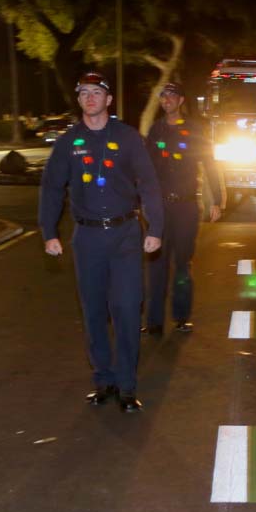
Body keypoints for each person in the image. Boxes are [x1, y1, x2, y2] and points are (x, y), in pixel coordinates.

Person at [38, 73, 164, 413]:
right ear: (79, 100)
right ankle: (103, 380)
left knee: (126, 308)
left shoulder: (127, 137)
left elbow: (148, 183)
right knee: (93, 311)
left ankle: (126, 385)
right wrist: (49, 231)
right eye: (84, 93)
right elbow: (52, 187)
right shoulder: (68, 142)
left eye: (97, 92)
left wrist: (155, 227)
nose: (90, 97)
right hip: (88, 237)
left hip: (125, 235)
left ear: (108, 100)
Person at [143, 82, 223, 335]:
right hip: (159, 207)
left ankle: (181, 317)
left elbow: (209, 164)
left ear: (181, 100)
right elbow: (145, 169)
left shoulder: (194, 129)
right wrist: (139, 199)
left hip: (186, 207)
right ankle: (154, 321)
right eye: (163, 96)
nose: (167, 100)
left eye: (172, 96)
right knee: (156, 263)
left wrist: (217, 199)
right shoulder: (156, 130)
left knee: (182, 263)